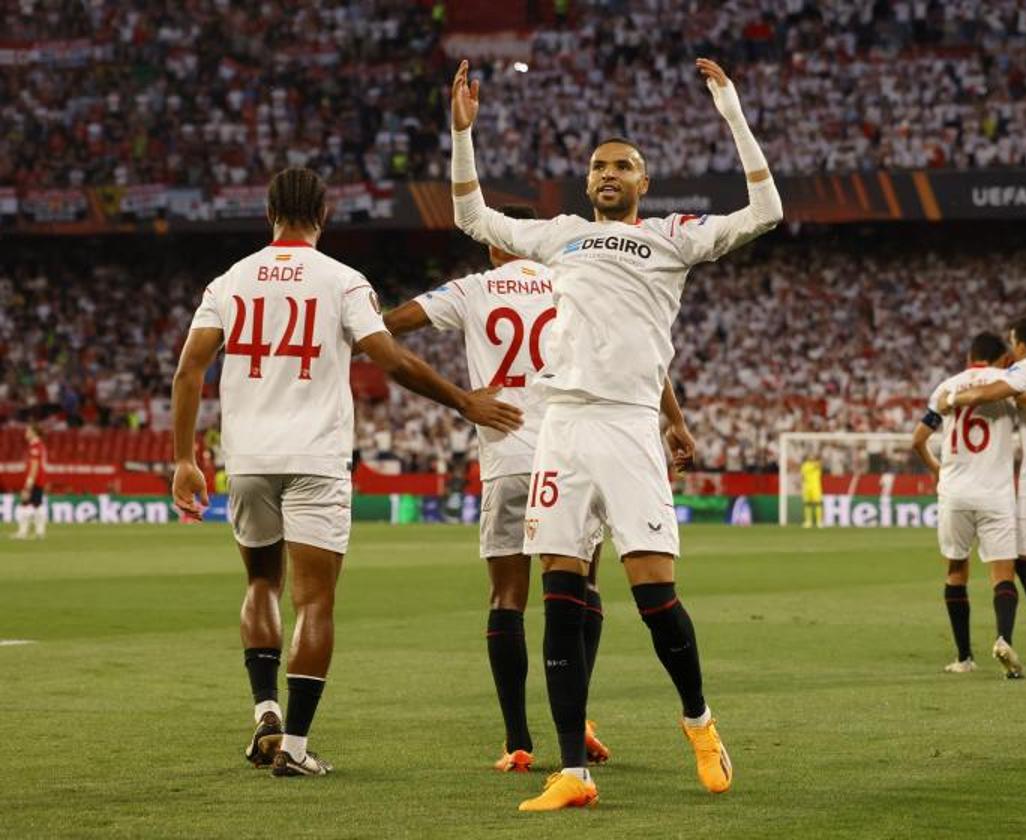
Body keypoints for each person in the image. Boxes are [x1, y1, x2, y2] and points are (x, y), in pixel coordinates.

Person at [449, 56, 782, 810]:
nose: (607, 174)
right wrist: (461, 135)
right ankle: (574, 772)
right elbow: (472, 218)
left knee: (653, 590)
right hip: (560, 425)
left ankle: (698, 721)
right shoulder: (561, 236)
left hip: (631, 427)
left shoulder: (673, 237)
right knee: (561, 591)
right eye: (599, 165)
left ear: (644, 183)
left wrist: (731, 112)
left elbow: (765, 211)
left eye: (623, 166)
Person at [171, 166, 522, 778]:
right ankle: (298, 749)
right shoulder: (343, 281)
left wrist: (182, 458)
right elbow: (386, 356)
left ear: (268, 213)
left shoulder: (229, 281)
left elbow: (188, 370)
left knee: (261, 585)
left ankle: (265, 711)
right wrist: (464, 400)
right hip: (316, 459)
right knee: (316, 602)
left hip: (247, 458)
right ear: (325, 216)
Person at [384, 203, 694, 772]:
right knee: (580, 592)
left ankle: (518, 740)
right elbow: (639, 352)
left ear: (496, 242)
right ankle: (579, 719)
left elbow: (387, 327)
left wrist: (460, 396)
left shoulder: (474, 287)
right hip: (575, 446)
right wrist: (672, 419)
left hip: (506, 454)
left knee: (508, 598)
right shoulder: (579, 269)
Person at [914, 332, 1026, 678]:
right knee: (1002, 574)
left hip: (955, 492)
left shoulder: (947, 387)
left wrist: (939, 471)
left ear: (969, 356)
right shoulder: (1008, 386)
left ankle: (964, 658)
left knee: (956, 570)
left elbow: (917, 440)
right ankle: (1004, 638)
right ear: (1004, 358)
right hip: (996, 494)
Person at [12, 424, 48, 540]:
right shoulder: (38, 445)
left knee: (24, 504)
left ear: (34, 432)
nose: (26, 433)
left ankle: (23, 532)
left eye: (28, 431)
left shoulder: (35, 447)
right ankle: (40, 532)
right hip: (39, 479)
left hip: (35, 480)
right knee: (37, 505)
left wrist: (29, 482)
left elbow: (35, 466)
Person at [800, 451, 823, 528]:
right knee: (807, 504)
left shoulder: (817, 464)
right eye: (810, 456)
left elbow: (819, 464)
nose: (811, 457)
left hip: (816, 487)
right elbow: (803, 476)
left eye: (812, 456)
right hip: (807, 487)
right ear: (807, 457)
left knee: (818, 504)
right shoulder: (805, 466)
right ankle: (808, 521)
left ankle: (819, 521)